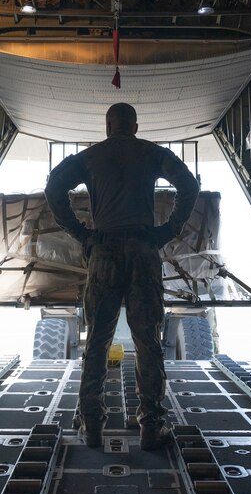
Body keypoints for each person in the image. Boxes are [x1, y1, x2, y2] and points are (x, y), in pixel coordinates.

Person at [44, 103, 200, 450]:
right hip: (144, 252)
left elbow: (54, 187)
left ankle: (92, 425)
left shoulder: (90, 157)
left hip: (105, 252)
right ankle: (150, 426)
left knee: (98, 341)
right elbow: (189, 185)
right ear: (135, 125)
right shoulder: (151, 153)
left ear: (107, 125)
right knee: (148, 342)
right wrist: (168, 231)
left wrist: (82, 234)